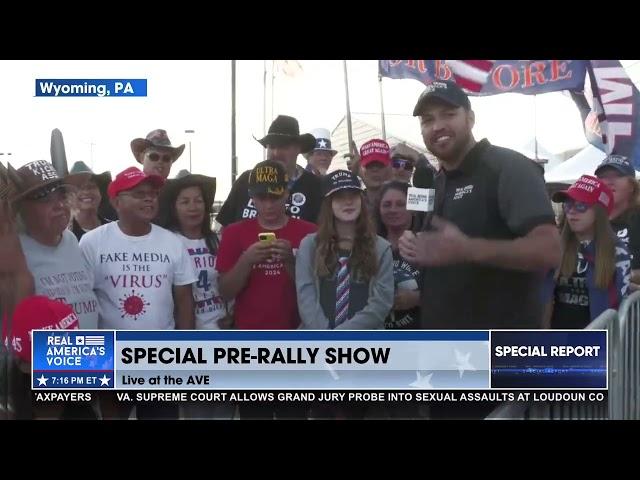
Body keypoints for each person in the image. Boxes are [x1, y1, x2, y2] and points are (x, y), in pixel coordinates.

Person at [399, 79, 561, 332]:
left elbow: (549, 249)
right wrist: (416, 244)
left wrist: (470, 249)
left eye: (448, 115)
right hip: (444, 350)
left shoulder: (509, 167)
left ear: (470, 119)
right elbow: (446, 248)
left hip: (497, 351)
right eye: (427, 120)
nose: (437, 126)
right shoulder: (438, 181)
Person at [80, 166, 196, 419]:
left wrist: (184, 351)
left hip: (161, 359)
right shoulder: (91, 243)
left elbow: (185, 300)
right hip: (112, 359)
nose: (149, 198)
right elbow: (83, 301)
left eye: (153, 194)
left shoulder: (172, 243)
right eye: (139, 193)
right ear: (116, 201)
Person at [216, 160, 316, 419]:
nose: (269, 205)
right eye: (262, 198)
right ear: (251, 199)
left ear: (287, 194)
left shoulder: (309, 233)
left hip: (297, 341)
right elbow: (226, 291)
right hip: (250, 345)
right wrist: (247, 260)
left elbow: (316, 291)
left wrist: (291, 261)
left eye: (275, 196)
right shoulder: (235, 233)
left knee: (293, 415)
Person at [159, 169, 235, 419]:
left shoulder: (217, 240)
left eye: (198, 200)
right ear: (174, 207)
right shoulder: (167, 242)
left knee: (224, 409)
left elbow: (230, 283)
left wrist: (232, 314)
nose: (193, 207)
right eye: (185, 201)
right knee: (197, 410)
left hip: (222, 337)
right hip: (189, 341)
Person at [296, 169, 393, 330]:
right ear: (329, 204)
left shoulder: (381, 247)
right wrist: (326, 337)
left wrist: (342, 336)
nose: (348, 202)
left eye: (353, 196)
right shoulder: (309, 245)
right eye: (340, 197)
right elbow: (306, 297)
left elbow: (381, 303)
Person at [545, 175, 630, 328]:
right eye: (568, 204)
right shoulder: (556, 245)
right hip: (557, 338)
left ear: (599, 211)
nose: (572, 211)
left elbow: (617, 304)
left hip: (597, 339)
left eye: (581, 205)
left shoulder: (617, 252)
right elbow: (543, 296)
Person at [216, 115, 322, 226]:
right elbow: (224, 228)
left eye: (283, 146)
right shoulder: (246, 180)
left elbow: (324, 233)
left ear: (298, 149)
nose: (276, 153)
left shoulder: (314, 186)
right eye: (271, 147)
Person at [376, 181, 421, 329]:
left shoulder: (427, 245)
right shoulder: (369, 248)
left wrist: (418, 298)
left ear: (414, 208)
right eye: (387, 205)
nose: (393, 210)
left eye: (401, 204)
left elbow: (448, 292)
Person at [594, 154, 640, 290]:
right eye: (603, 177)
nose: (609, 182)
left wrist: (623, 275)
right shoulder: (587, 218)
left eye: (617, 176)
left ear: (632, 185)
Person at [67, 161, 112, 240]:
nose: (86, 192)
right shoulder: (62, 234)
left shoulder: (113, 229)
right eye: (79, 188)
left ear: (100, 193)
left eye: (91, 187)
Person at [359, 139, 393, 217]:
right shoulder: (355, 202)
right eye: (369, 165)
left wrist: (419, 160)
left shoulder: (404, 196)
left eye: (380, 165)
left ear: (390, 166)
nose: (375, 169)